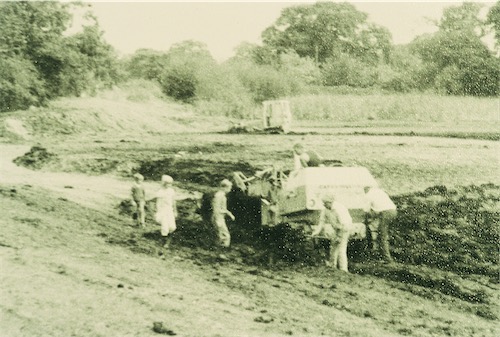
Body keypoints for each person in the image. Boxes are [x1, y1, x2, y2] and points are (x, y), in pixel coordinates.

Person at [312, 194, 352, 272]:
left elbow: (344, 224)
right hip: (337, 229)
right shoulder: (325, 209)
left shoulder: (339, 209)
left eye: (325, 203)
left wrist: (339, 236)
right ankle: (332, 266)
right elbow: (322, 221)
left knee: (341, 249)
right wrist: (316, 232)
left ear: (330, 202)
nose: (323, 204)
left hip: (345, 229)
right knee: (333, 248)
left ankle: (343, 270)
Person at [364, 186, 397, 263]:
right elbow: (379, 207)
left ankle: (387, 259)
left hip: (386, 213)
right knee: (382, 233)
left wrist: (367, 219)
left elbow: (366, 210)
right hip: (393, 211)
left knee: (382, 236)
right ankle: (383, 254)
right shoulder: (379, 191)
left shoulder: (368, 195)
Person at [211, 179, 235, 248]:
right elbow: (217, 209)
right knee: (225, 235)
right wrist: (218, 220)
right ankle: (222, 249)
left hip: (219, 217)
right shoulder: (219, 196)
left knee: (221, 234)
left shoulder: (221, 195)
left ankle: (219, 247)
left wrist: (229, 213)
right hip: (218, 217)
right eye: (229, 188)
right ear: (224, 187)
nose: (230, 190)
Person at [155, 175, 177, 248]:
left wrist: (175, 211)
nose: (169, 185)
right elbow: (158, 202)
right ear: (164, 183)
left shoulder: (171, 191)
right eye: (167, 183)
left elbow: (173, 201)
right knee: (165, 227)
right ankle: (165, 243)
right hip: (163, 210)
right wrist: (158, 212)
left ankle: (168, 241)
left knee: (172, 227)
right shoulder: (160, 191)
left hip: (169, 210)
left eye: (170, 183)